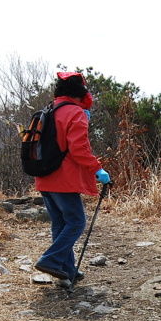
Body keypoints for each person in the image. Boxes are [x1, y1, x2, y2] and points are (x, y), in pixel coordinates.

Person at [34, 71, 109, 283]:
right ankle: (50, 260)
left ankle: (67, 270)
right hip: (62, 179)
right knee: (76, 221)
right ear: (81, 92)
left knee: (60, 223)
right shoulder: (75, 113)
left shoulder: (51, 109)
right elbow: (79, 149)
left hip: (44, 176)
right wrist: (98, 169)